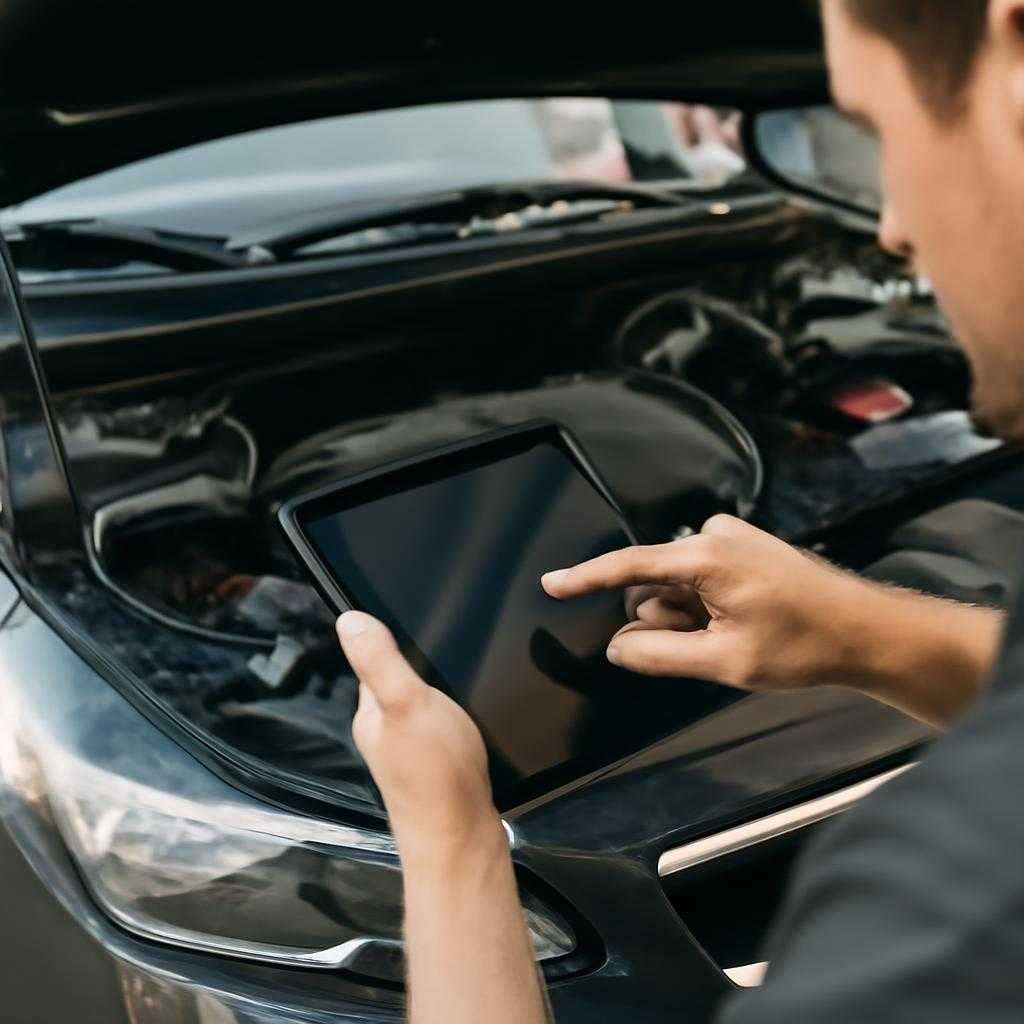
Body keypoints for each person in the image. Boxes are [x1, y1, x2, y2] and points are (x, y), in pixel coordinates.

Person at [335, 1, 1024, 1020]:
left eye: (871, 129)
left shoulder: (952, 911)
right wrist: (860, 633)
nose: (888, 225)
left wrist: (453, 846)